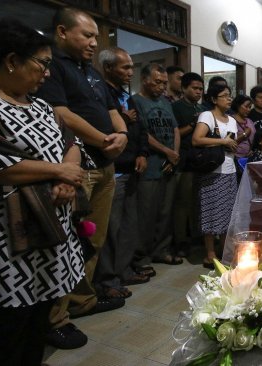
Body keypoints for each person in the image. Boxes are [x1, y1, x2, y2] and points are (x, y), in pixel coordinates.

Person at [0, 18, 86, 364]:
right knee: (5, 333)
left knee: (34, 329)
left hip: (50, 238)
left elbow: (71, 144)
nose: (46, 74)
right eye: (42, 64)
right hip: (7, 244)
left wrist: (65, 177)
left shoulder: (41, 105)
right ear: (12, 61)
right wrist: (59, 170)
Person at [36, 7, 128, 346]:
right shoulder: (53, 67)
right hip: (76, 165)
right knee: (68, 241)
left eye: (95, 36)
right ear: (62, 31)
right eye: (87, 35)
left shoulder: (89, 72)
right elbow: (60, 113)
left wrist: (122, 135)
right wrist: (103, 139)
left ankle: (80, 300)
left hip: (105, 165)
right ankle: (54, 317)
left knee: (94, 239)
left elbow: (112, 110)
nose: (94, 42)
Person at [94, 47, 150, 301]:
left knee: (129, 226)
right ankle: (107, 279)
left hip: (132, 167)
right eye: (125, 67)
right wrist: (123, 121)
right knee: (110, 229)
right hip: (113, 170)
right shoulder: (99, 93)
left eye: (131, 66)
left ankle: (124, 270)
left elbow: (141, 129)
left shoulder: (127, 96)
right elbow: (102, 130)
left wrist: (142, 153)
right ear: (108, 68)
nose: (130, 72)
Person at [132, 63, 182, 267]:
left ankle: (161, 250)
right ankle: (140, 256)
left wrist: (175, 154)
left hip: (169, 165)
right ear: (144, 80)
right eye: (157, 82)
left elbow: (175, 129)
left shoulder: (165, 102)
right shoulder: (135, 101)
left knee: (165, 212)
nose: (162, 87)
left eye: (164, 83)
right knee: (145, 213)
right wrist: (167, 152)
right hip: (150, 166)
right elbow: (142, 133)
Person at [191, 84, 238, 268]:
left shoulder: (232, 120)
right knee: (211, 212)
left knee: (227, 213)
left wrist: (233, 143)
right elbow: (197, 139)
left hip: (230, 169)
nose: (229, 98)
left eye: (229, 95)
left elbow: (230, 143)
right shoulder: (207, 116)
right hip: (212, 170)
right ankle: (210, 254)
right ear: (214, 99)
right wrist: (223, 141)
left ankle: (222, 250)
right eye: (224, 95)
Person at [171, 72, 204, 257]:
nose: (198, 92)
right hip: (184, 161)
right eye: (194, 88)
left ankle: (196, 236)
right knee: (182, 203)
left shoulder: (204, 108)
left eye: (200, 89)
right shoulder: (176, 107)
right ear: (184, 88)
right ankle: (180, 241)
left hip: (202, 161)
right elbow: (176, 133)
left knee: (197, 203)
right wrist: (194, 124)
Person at [231, 94, 255, 159]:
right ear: (238, 105)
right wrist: (245, 134)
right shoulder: (230, 120)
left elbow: (253, 139)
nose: (248, 109)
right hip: (234, 158)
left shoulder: (250, 121)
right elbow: (230, 142)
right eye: (246, 106)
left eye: (250, 107)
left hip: (248, 157)